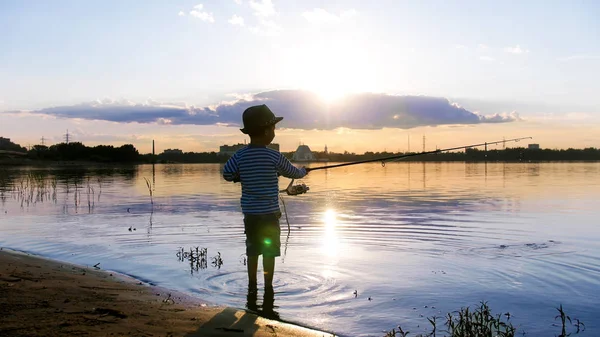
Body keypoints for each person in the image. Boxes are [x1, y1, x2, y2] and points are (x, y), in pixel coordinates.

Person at [222, 104, 308, 293]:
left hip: (251, 214)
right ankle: (268, 287)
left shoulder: (240, 155)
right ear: (268, 131)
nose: (274, 132)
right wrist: (304, 171)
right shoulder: (274, 156)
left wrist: (240, 176)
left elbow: (227, 174)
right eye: (274, 128)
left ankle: (252, 286)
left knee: (253, 250)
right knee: (269, 252)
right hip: (269, 214)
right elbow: (293, 172)